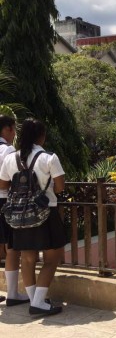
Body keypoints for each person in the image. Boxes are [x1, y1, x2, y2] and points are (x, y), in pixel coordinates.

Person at [0, 118, 66, 316]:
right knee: (51, 258)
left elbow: (3, 186)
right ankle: (38, 302)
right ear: (41, 136)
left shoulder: (11, 159)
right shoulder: (49, 158)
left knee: (27, 258)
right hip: (46, 213)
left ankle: (33, 299)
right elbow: (60, 187)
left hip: (20, 214)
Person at [0, 115, 30, 306]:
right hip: (4, 200)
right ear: (8, 129)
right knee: (12, 248)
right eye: (14, 129)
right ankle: (12, 293)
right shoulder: (8, 150)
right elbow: (9, 179)